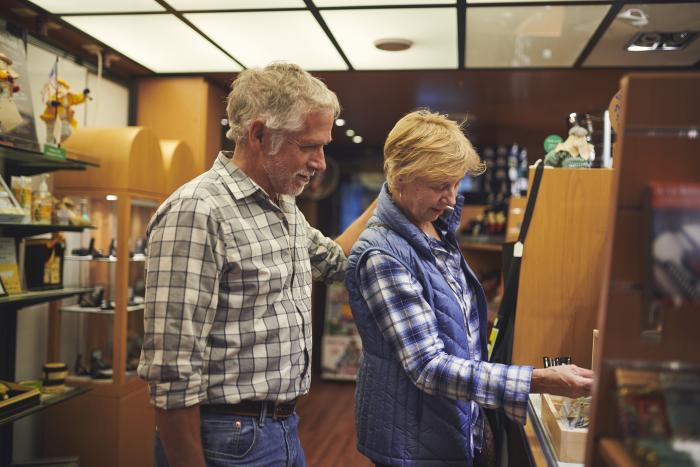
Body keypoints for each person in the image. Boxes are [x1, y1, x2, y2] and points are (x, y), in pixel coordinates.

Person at [138, 62, 375, 467]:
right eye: (308, 145)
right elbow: (171, 375)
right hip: (225, 441)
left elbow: (335, 261)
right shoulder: (198, 210)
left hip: (281, 428)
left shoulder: (282, 205)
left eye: (323, 146)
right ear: (260, 134)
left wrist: (391, 195)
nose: (320, 162)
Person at [345, 109, 594, 467]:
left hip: (454, 427)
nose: (450, 197)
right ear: (400, 176)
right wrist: (537, 380)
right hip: (414, 445)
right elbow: (429, 366)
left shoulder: (432, 225)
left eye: (456, 183)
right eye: (438, 185)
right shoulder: (382, 255)